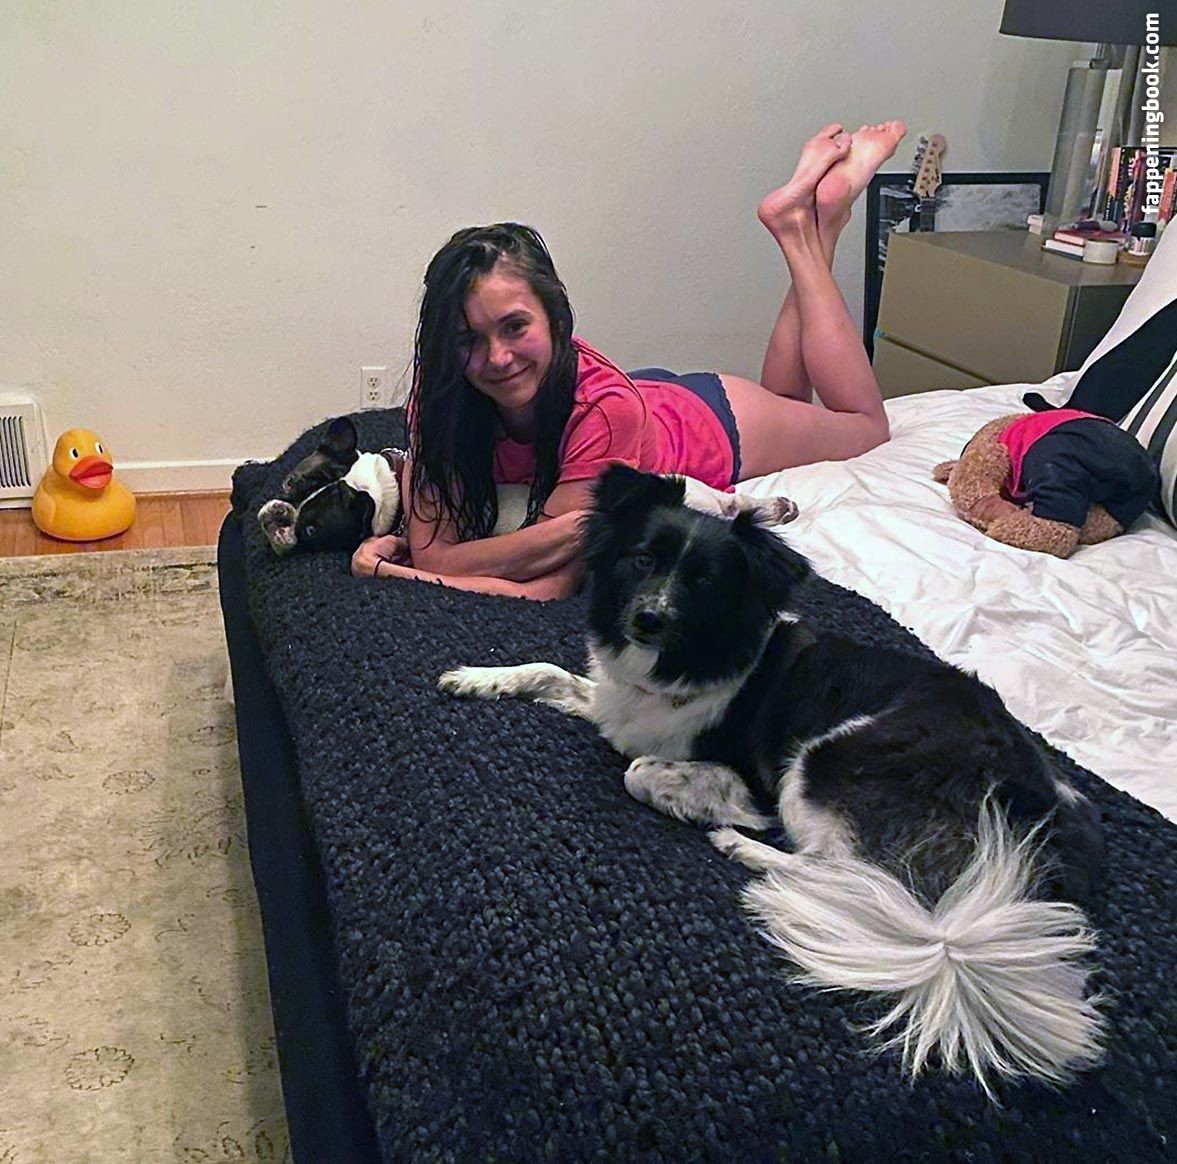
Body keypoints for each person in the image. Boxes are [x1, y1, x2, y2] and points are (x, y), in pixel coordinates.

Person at [352, 121, 906, 600]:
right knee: (790, 399)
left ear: (557, 319)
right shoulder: (441, 393)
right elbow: (440, 555)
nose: (496, 357)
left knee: (865, 426)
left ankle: (801, 232)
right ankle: (819, 220)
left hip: (710, 422)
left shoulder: (602, 409)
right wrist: (452, 559)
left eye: (515, 327)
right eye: (468, 339)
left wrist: (393, 570)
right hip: (635, 406)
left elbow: (544, 587)